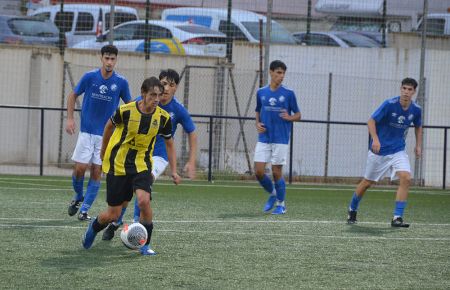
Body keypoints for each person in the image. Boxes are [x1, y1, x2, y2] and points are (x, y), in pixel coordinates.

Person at [82, 76, 181, 255]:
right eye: (152, 95)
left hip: (141, 165)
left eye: (159, 95)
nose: (156, 99)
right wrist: (103, 153)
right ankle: (94, 227)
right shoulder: (125, 111)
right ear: (143, 94)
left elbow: (170, 144)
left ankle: (145, 244)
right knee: (113, 214)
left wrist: (174, 170)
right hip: (118, 165)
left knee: (144, 201)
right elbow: (108, 128)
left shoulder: (163, 118)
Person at [101, 68, 197, 240]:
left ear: (176, 88)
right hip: (135, 154)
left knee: (144, 191)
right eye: (163, 83)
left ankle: (138, 229)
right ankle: (116, 222)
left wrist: (190, 161)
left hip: (158, 156)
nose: (166, 88)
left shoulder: (178, 110)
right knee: (128, 193)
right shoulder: (141, 102)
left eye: (171, 85)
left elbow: (192, 133)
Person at [66, 44, 131, 221]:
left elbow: (129, 106)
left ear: (116, 60)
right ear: (101, 58)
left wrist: (126, 129)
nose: (109, 62)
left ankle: (84, 210)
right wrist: (70, 119)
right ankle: (78, 196)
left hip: (106, 136)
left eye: (113, 59)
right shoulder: (90, 77)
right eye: (107, 58)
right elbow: (73, 95)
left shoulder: (121, 82)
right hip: (86, 132)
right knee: (80, 169)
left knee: (97, 171)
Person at [347, 77, 422, 227]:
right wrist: (375, 139)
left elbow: (418, 126)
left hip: (398, 150)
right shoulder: (389, 104)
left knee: (406, 178)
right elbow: (371, 121)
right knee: (368, 182)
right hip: (379, 151)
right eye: (404, 88)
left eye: (410, 89)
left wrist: (418, 145)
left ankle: (397, 217)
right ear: (400, 89)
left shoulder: (416, 109)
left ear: (414, 92)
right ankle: (352, 209)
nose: (406, 92)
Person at [254, 60, 301, 215]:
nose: (281, 76)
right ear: (271, 72)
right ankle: (274, 194)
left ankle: (281, 204)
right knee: (259, 171)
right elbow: (258, 110)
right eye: (279, 73)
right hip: (264, 137)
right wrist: (257, 123)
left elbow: (298, 115)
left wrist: (289, 117)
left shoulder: (288, 93)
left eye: (283, 73)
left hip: (280, 138)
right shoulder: (261, 92)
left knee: (276, 172)